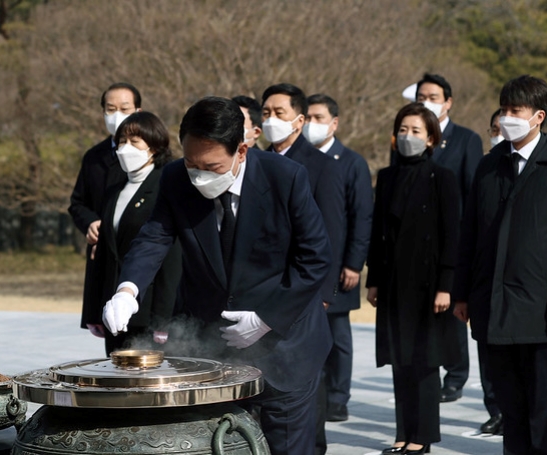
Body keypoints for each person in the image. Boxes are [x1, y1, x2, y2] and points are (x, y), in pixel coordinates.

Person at [102, 96, 333, 455]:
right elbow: (154, 237)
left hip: (285, 348)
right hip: (216, 350)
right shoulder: (177, 178)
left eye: (211, 166)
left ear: (241, 150)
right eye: (192, 163)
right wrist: (127, 290)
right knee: (222, 445)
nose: (199, 176)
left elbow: (315, 259)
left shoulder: (284, 177)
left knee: (286, 447)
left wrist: (266, 319)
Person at [452, 75, 547, 455]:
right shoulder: (489, 165)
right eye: (505, 110)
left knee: (540, 403)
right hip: (492, 303)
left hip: (539, 305)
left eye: (517, 111)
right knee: (509, 405)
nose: (508, 117)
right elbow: (470, 236)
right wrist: (462, 293)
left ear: (539, 116)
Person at [366, 102, 460, 455]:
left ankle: (422, 436)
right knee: (399, 361)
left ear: (432, 138)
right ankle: (403, 432)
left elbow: (453, 234)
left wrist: (446, 286)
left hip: (427, 284)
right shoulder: (387, 177)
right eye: (402, 130)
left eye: (416, 131)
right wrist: (373, 279)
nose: (408, 137)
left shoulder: (442, 178)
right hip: (392, 283)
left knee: (424, 363)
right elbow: (378, 232)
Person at [303, 94, 373, 454]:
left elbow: (361, 217)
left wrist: (353, 263)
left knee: (338, 334)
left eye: (319, 117)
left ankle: (339, 397)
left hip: (339, 265)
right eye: (309, 116)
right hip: (309, 269)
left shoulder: (350, 162)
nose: (312, 123)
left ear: (334, 123)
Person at [80, 112, 181, 356]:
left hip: (148, 312)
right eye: (122, 141)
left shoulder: (165, 187)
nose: (126, 148)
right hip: (115, 311)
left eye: (134, 142)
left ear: (154, 147)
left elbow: (170, 259)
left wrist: (163, 319)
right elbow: (102, 252)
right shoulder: (115, 190)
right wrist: (93, 311)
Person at [414, 73, 483, 403]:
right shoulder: (411, 138)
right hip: (416, 242)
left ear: (448, 101)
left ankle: (456, 374)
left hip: (452, 237)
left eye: (433, 96)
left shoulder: (465, 139)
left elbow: (472, 190)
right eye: (421, 96)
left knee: (452, 310)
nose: (426, 101)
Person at [261, 83, 346, 316]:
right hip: (258, 283)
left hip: (301, 283)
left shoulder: (324, 166)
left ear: (299, 121)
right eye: (266, 113)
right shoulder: (255, 162)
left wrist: (325, 290)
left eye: (279, 113)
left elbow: (331, 232)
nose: (271, 119)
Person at [70, 82, 142, 338]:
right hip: (103, 254)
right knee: (113, 337)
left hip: (138, 252)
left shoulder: (152, 155)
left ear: (138, 110)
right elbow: (77, 203)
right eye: (110, 109)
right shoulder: (94, 157)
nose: (117, 115)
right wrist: (90, 222)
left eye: (124, 108)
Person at [474, 108, 505, 437]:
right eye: (494, 127)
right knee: (486, 353)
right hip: (485, 280)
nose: (500, 132)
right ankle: (494, 408)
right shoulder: (484, 168)